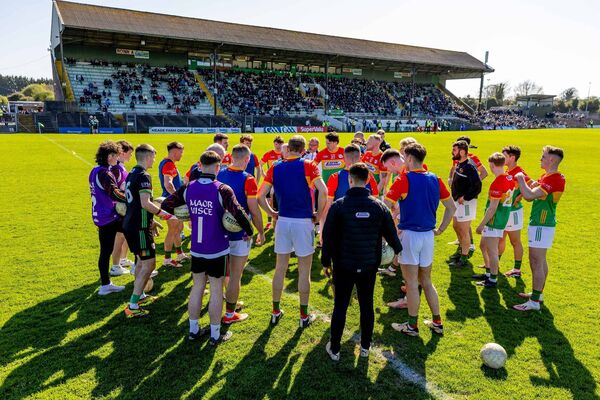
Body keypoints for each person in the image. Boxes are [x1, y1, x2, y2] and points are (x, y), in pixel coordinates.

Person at [162, 150, 253, 344]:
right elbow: (239, 214)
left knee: (197, 287)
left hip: (197, 248)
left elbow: (168, 205)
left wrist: (186, 214)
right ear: (218, 167)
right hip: (218, 248)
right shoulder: (222, 189)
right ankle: (214, 334)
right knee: (216, 289)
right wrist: (251, 231)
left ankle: (193, 331)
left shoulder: (188, 187)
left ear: (200, 166)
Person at [321, 163, 402, 361]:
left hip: (344, 265)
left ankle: (336, 348)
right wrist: (397, 252)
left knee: (340, 305)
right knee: (366, 304)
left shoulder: (339, 205)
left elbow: (328, 237)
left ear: (350, 180)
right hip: (368, 265)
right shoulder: (378, 206)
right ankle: (365, 347)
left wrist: (325, 262)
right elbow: (392, 235)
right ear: (368, 181)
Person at [384, 143, 456, 336]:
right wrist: (441, 229)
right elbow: (451, 207)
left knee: (411, 282)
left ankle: (412, 326)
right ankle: (437, 322)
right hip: (428, 236)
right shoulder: (435, 178)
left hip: (409, 235)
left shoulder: (404, 179)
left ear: (408, 158)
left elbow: (386, 203)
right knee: (427, 281)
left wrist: (394, 213)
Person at [258, 135, 328, 328]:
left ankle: (275, 311)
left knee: (280, 268)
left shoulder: (275, 167)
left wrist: (272, 213)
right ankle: (303, 316)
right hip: (303, 221)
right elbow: (323, 191)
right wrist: (319, 214)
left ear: (289, 149)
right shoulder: (309, 165)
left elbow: (260, 196)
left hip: (283, 221)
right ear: (304, 149)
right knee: (304, 271)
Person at [123, 144, 178, 318]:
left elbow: (136, 203)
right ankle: (132, 306)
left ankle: (139, 296)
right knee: (149, 264)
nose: (154, 159)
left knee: (141, 261)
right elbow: (146, 203)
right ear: (148, 157)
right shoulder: (144, 176)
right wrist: (166, 216)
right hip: (139, 227)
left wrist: (151, 220)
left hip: (133, 224)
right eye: (153, 157)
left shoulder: (132, 173)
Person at [512, 146, 565, 311]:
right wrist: (529, 182)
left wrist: (520, 178)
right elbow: (535, 188)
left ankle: (534, 302)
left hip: (542, 224)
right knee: (540, 260)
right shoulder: (548, 177)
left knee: (536, 261)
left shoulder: (553, 179)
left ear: (551, 160)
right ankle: (538, 294)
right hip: (541, 223)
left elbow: (529, 196)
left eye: (543, 157)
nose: (540, 159)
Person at [217, 144, 266, 324]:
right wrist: (260, 231)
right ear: (246, 160)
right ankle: (230, 314)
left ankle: (230, 300)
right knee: (236, 275)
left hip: (219, 232)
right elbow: (254, 210)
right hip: (240, 234)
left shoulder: (219, 173)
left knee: (224, 272)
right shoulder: (248, 179)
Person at [89, 141, 127, 295]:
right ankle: (106, 285)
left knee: (107, 249)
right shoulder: (105, 173)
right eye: (116, 156)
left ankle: (106, 283)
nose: (117, 159)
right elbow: (114, 192)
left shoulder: (95, 170)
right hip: (108, 216)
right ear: (110, 156)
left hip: (101, 215)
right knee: (107, 250)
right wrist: (130, 197)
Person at [472, 153, 514, 288]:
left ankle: (493, 279)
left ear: (492, 165)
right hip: (501, 219)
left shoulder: (498, 182)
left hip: (494, 221)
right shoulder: (509, 177)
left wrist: (481, 225)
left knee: (492, 251)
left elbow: (492, 208)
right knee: (483, 246)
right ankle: (489, 273)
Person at [447, 140, 482, 268]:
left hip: (466, 203)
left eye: (455, 150)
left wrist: (465, 197)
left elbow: (477, 186)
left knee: (463, 229)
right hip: (457, 202)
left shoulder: (469, 167)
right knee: (456, 226)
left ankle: (464, 257)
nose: (453, 152)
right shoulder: (459, 164)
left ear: (462, 152)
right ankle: (462, 251)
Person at [500, 146, 531, 278]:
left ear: (512, 157)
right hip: (504, 211)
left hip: (514, 213)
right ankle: (494, 264)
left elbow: (532, 185)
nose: (502, 158)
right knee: (500, 238)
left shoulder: (519, 172)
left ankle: (517, 270)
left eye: (504, 156)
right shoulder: (508, 170)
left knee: (515, 241)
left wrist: (520, 196)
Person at [158, 142, 188, 268]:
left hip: (171, 201)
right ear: (175, 151)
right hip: (171, 202)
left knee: (178, 228)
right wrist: (178, 198)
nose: (182, 154)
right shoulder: (169, 164)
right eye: (181, 152)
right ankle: (167, 259)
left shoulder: (166, 163)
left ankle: (179, 254)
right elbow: (168, 184)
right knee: (172, 230)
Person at [109, 140, 135, 275]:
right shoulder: (116, 169)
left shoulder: (121, 167)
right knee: (119, 236)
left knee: (124, 234)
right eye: (129, 153)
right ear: (122, 153)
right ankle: (115, 266)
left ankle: (123, 259)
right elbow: (117, 189)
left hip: (124, 206)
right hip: (119, 207)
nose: (131, 156)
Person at [260, 136, 284, 230]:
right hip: (271, 181)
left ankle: (280, 218)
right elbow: (260, 164)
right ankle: (270, 221)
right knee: (270, 201)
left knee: (279, 200)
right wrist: (264, 174)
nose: (278, 146)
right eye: (276, 144)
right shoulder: (269, 154)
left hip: (281, 181)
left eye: (280, 144)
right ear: (274, 144)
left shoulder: (285, 154)